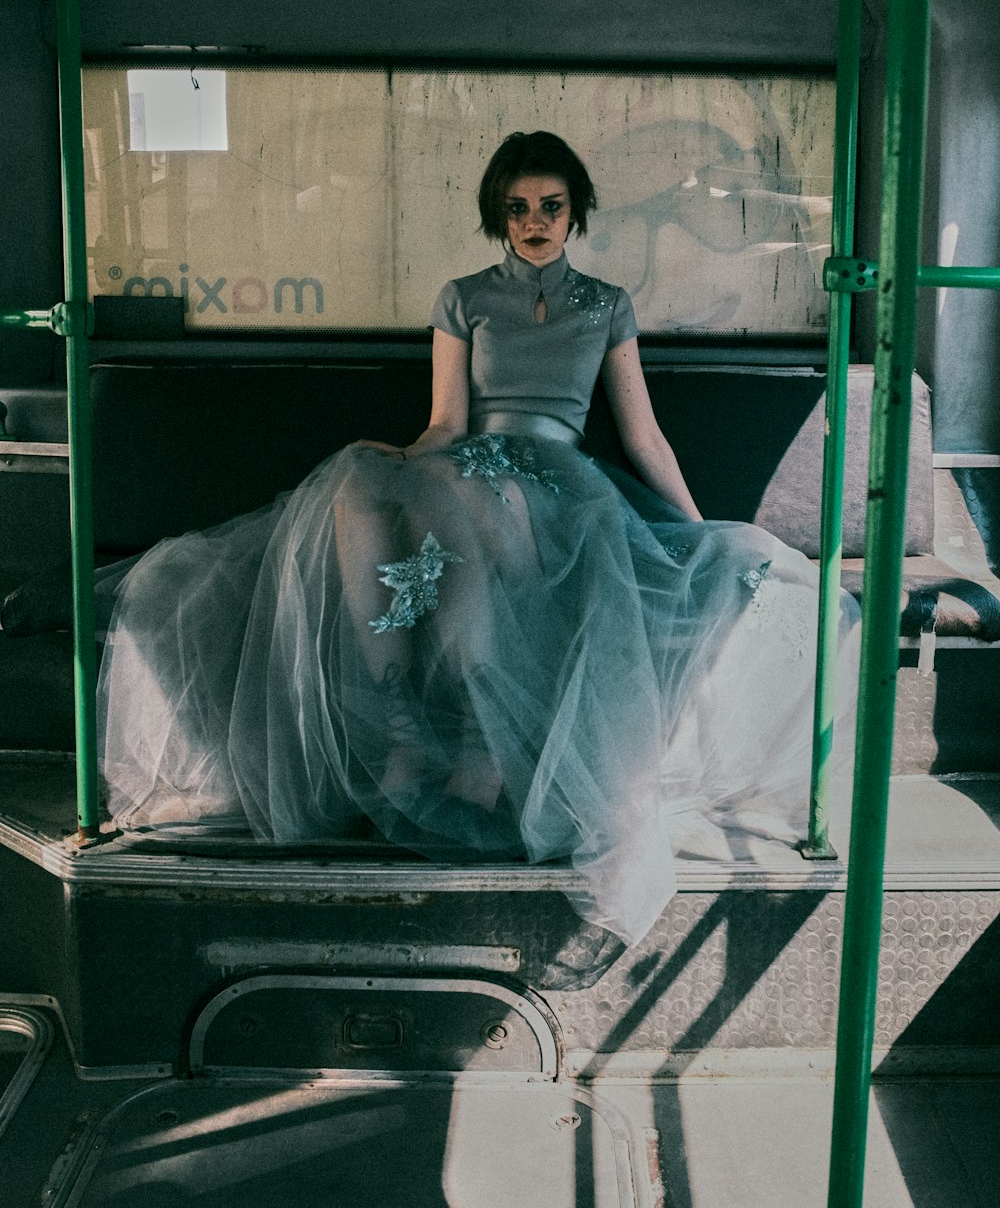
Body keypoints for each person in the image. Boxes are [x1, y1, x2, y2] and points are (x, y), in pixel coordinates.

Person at [5, 132, 860, 946]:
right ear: (498, 212)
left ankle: (477, 743)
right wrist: (400, 460)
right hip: (468, 461)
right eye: (518, 206)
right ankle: (406, 731)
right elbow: (446, 422)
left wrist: (688, 528)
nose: (535, 221)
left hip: (564, 482)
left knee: (480, 500)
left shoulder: (606, 305)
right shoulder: (463, 296)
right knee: (360, 488)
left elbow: (642, 437)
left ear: (576, 213)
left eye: (551, 206)